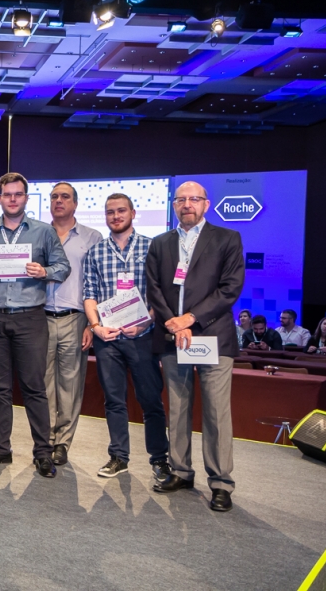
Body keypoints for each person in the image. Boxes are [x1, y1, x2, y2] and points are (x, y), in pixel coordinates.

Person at [0, 172, 71, 476]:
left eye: (18, 194)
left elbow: (63, 267)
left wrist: (44, 271)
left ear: (26, 198)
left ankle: (43, 452)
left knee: (34, 387)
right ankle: (0, 448)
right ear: (0, 198)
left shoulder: (43, 232)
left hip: (30, 318)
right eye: (7, 194)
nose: (12, 199)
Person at [146, 180, 245, 512]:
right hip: (173, 337)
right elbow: (153, 288)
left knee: (216, 412)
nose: (187, 204)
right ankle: (181, 471)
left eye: (194, 199)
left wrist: (190, 319)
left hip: (213, 336)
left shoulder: (227, 238)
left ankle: (221, 482)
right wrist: (173, 323)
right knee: (178, 408)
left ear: (206, 204)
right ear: (174, 205)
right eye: (181, 199)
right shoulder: (160, 243)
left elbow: (230, 288)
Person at [83, 193, 170, 480]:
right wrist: (95, 327)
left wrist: (146, 321)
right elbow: (89, 294)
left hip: (143, 336)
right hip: (108, 338)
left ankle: (160, 459)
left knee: (151, 400)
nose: (116, 216)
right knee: (114, 401)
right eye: (110, 212)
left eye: (121, 211)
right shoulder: (95, 252)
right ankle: (118, 457)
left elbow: (160, 294)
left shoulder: (152, 247)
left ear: (133, 213)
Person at [44, 182, 102, 466]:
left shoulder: (92, 237)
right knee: (43, 383)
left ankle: (62, 443)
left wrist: (92, 324)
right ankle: (45, 439)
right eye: (54, 196)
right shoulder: (39, 234)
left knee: (70, 384)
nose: (59, 201)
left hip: (75, 319)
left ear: (75, 203)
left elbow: (99, 283)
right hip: (40, 317)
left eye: (65, 196)